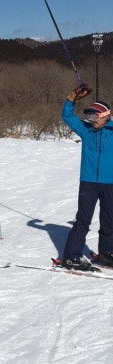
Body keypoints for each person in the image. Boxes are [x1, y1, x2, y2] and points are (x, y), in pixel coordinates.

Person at [60, 83, 113, 271]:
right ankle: (70, 257)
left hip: (110, 183)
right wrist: (72, 96)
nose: (90, 119)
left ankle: (107, 253)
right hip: (89, 182)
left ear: (105, 116)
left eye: (94, 116)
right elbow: (66, 116)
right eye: (88, 116)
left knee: (110, 219)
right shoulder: (86, 130)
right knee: (83, 219)